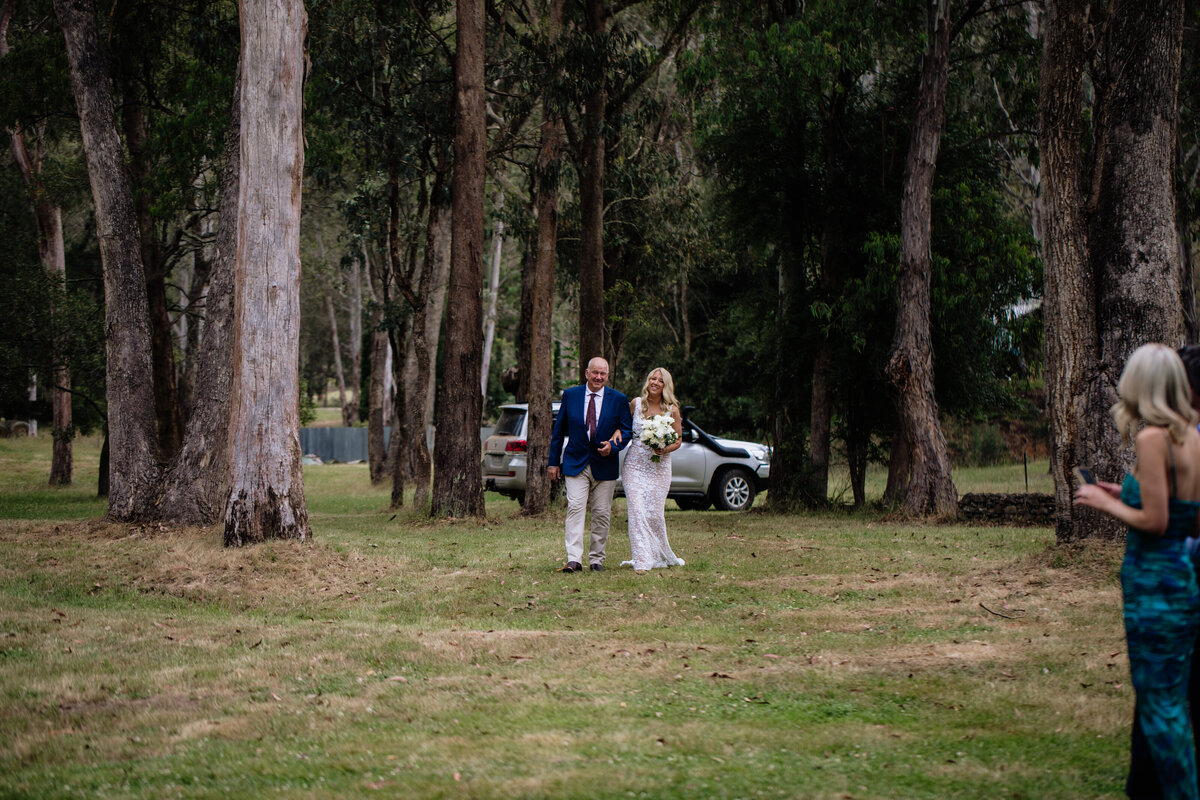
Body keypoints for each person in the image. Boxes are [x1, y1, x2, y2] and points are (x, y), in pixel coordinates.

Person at [1075, 344, 1200, 800]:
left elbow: (1157, 522)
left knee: (1156, 707)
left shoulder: (1153, 439)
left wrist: (1106, 503)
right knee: (1173, 707)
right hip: (1183, 584)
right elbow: (1188, 516)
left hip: (1153, 587)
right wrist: (1126, 493)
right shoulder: (1191, 438)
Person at [548, 357, 633, 572]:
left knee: (602, 513)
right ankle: (574, 559)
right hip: (575, 462)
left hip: (604, 464)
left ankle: (596, 560)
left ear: (607, 375)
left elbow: (626, 431)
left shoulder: (619, 399)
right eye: (595, 372)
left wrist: (613, 448)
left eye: (603, 373)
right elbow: (558, 432)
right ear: (587, 373)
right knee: (575, 508)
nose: (599, 377)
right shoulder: (571, 395)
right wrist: (553, 463)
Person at [621, 367, 685, 574]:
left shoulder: (672, 410)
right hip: (635, 465)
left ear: (666, 385)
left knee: (655, 515)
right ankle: (642, 559)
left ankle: (657, 553)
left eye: (660, 380)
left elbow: (679, 439)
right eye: (652, 378)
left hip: (660, 467)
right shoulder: (636, 404)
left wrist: (665, 448)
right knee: (637, 511)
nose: (655, 382)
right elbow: (622, 426)